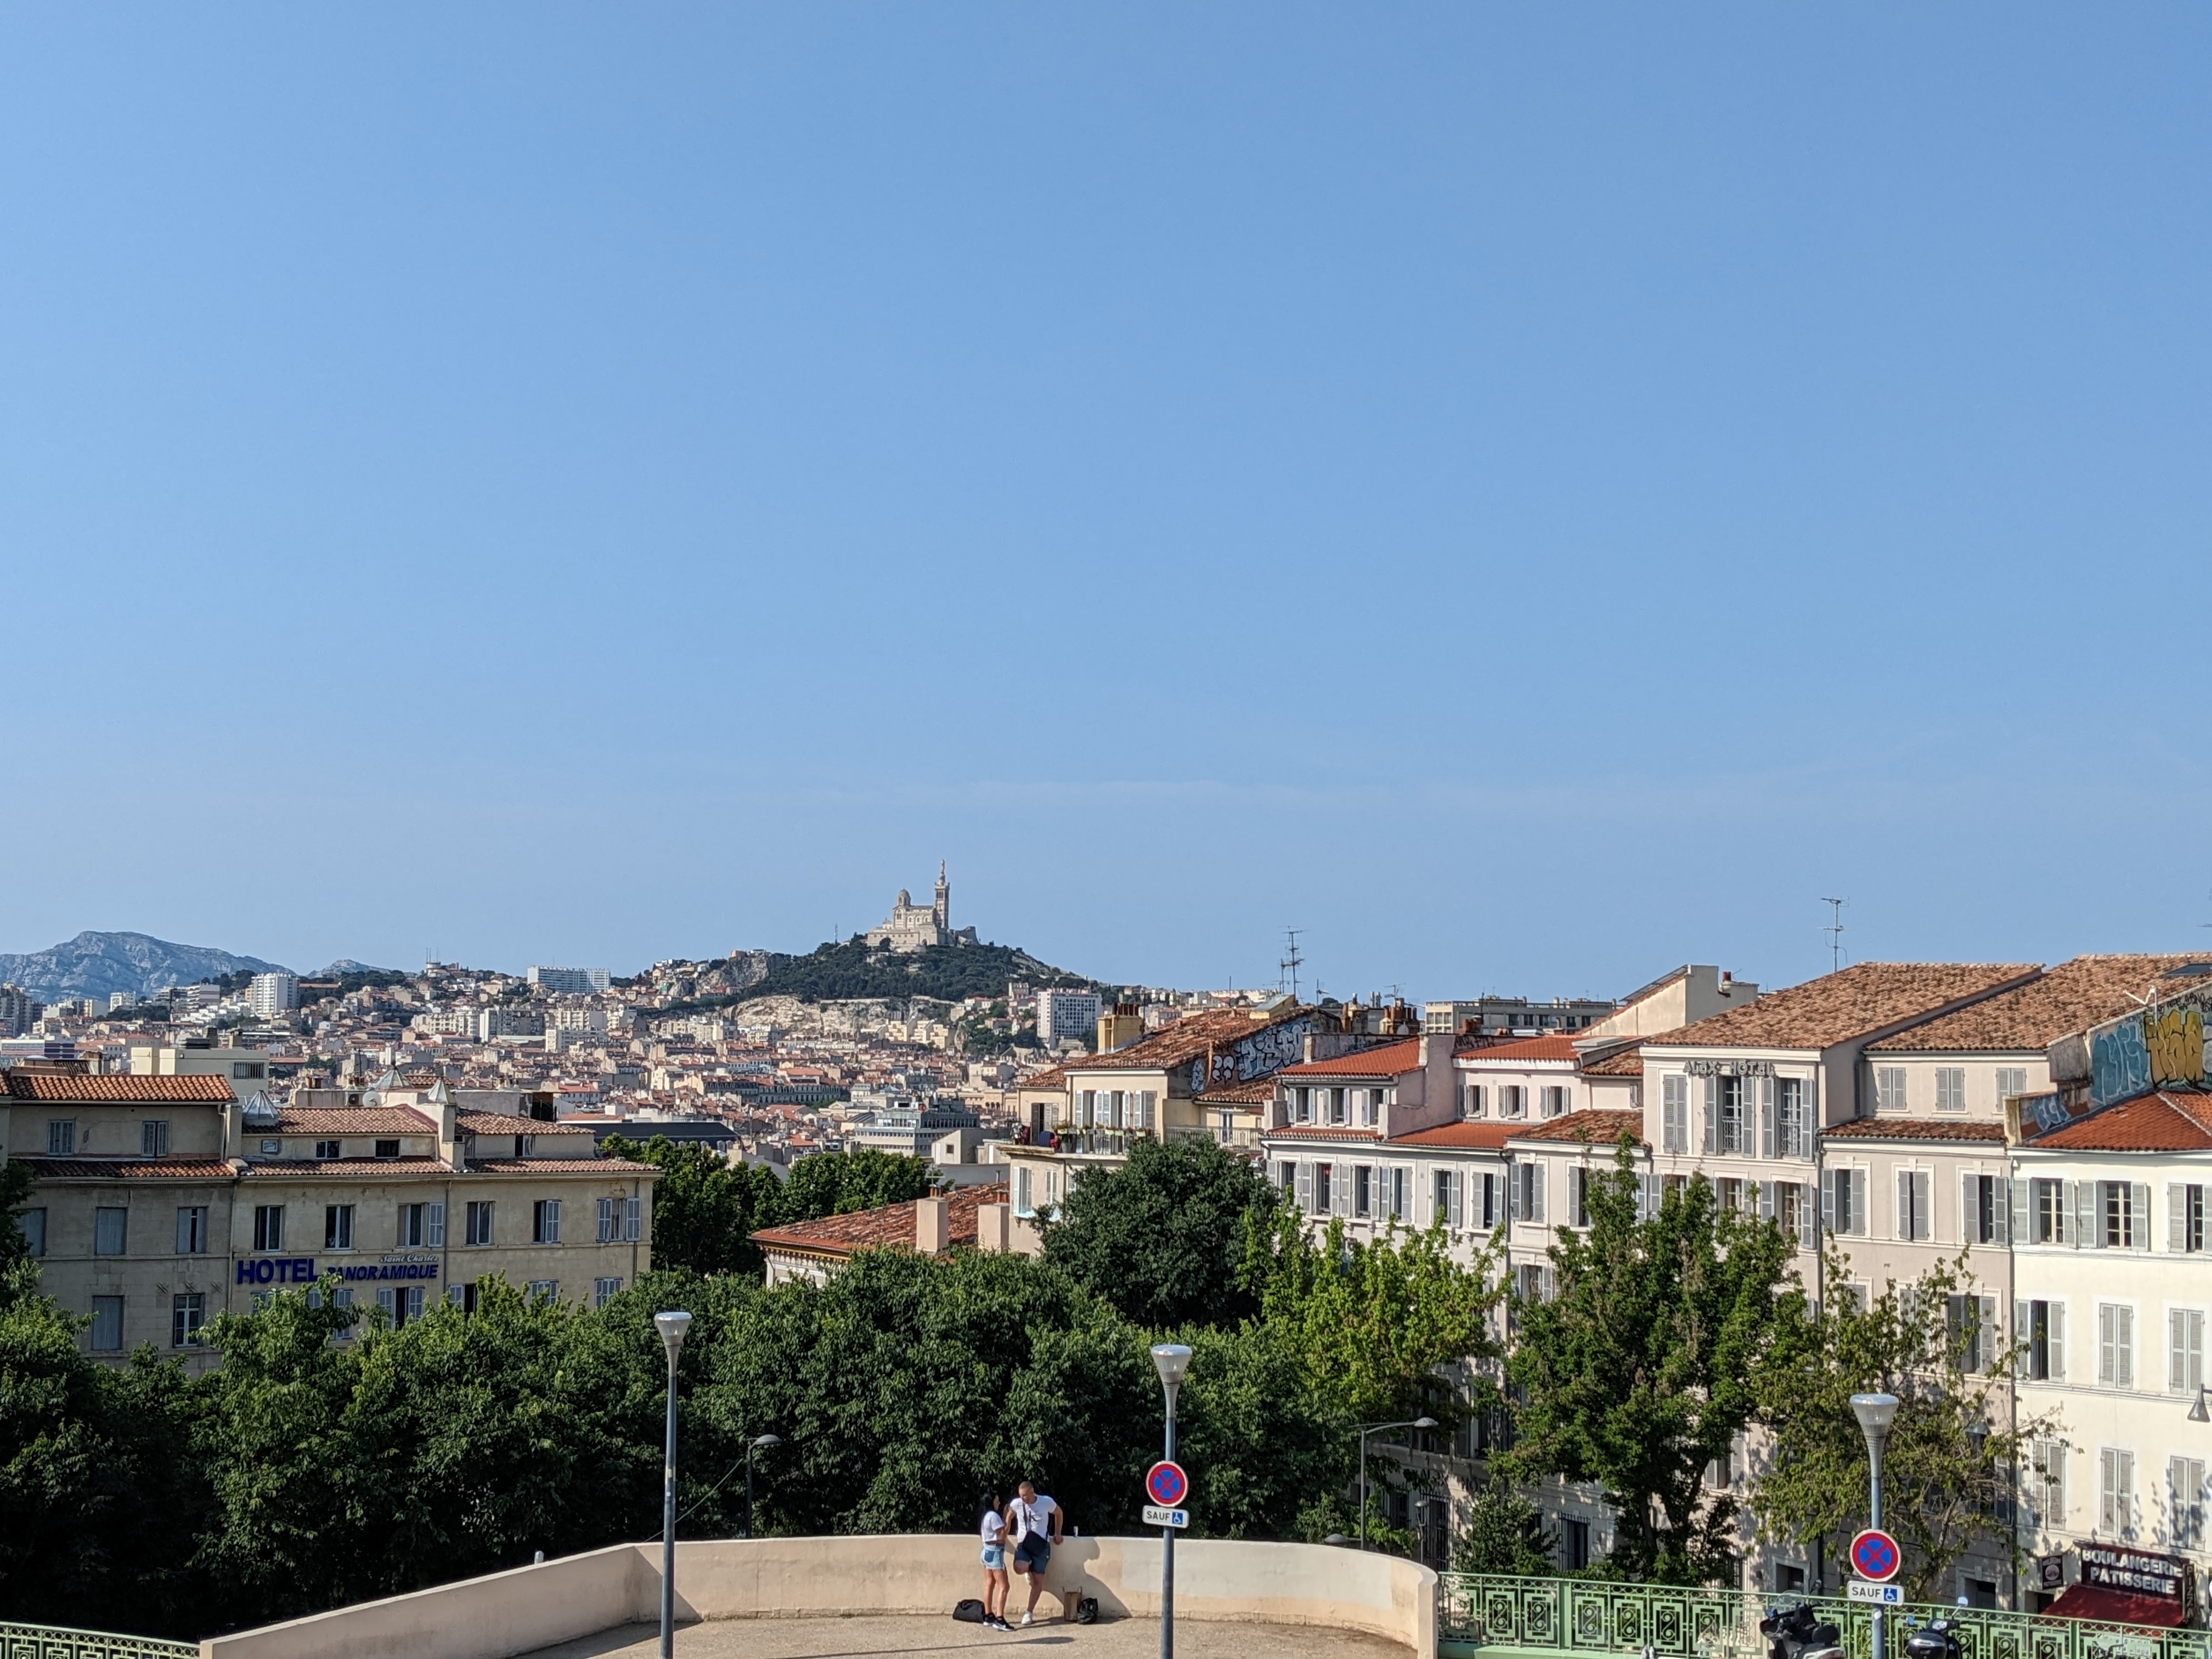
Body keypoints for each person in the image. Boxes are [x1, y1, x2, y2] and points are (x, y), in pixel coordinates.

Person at [1007, 1479, 1065, 1627]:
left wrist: (1058, 1533)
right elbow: (1010, 1513)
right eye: (1020, 1495)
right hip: (1024, 1544)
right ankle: (1028, 1569)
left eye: (1025, 1495)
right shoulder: (1017, 1503)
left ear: (1032, 1492)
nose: (1022, 1498)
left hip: (1040, 1545)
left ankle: (1029, 1612)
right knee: (1019, 1567)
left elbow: (1059, 1513)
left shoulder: (1046, 1502)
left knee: (1038, 1581)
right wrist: (1006, 1528)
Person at [978, 1489, 1011, 1631]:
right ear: (992, 1502)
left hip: (986, 1551)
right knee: (1004, 1587)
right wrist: (1009, 1517)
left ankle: (988, 1615)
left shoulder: (986, 1515)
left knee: (989, 1584)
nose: (999, 1503)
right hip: (995, 1552)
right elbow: (1003, 1535)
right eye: (997, 1501)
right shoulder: (993, 1516)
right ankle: (1000, 1619)